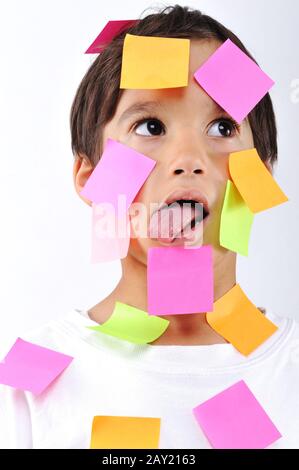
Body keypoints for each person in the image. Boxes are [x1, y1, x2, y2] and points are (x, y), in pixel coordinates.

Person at [1, 5, 298, 449]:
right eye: (150, 125)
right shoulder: (28, 386)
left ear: (263, 176)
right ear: (90, 177)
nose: (188, 161)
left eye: (222, 126)